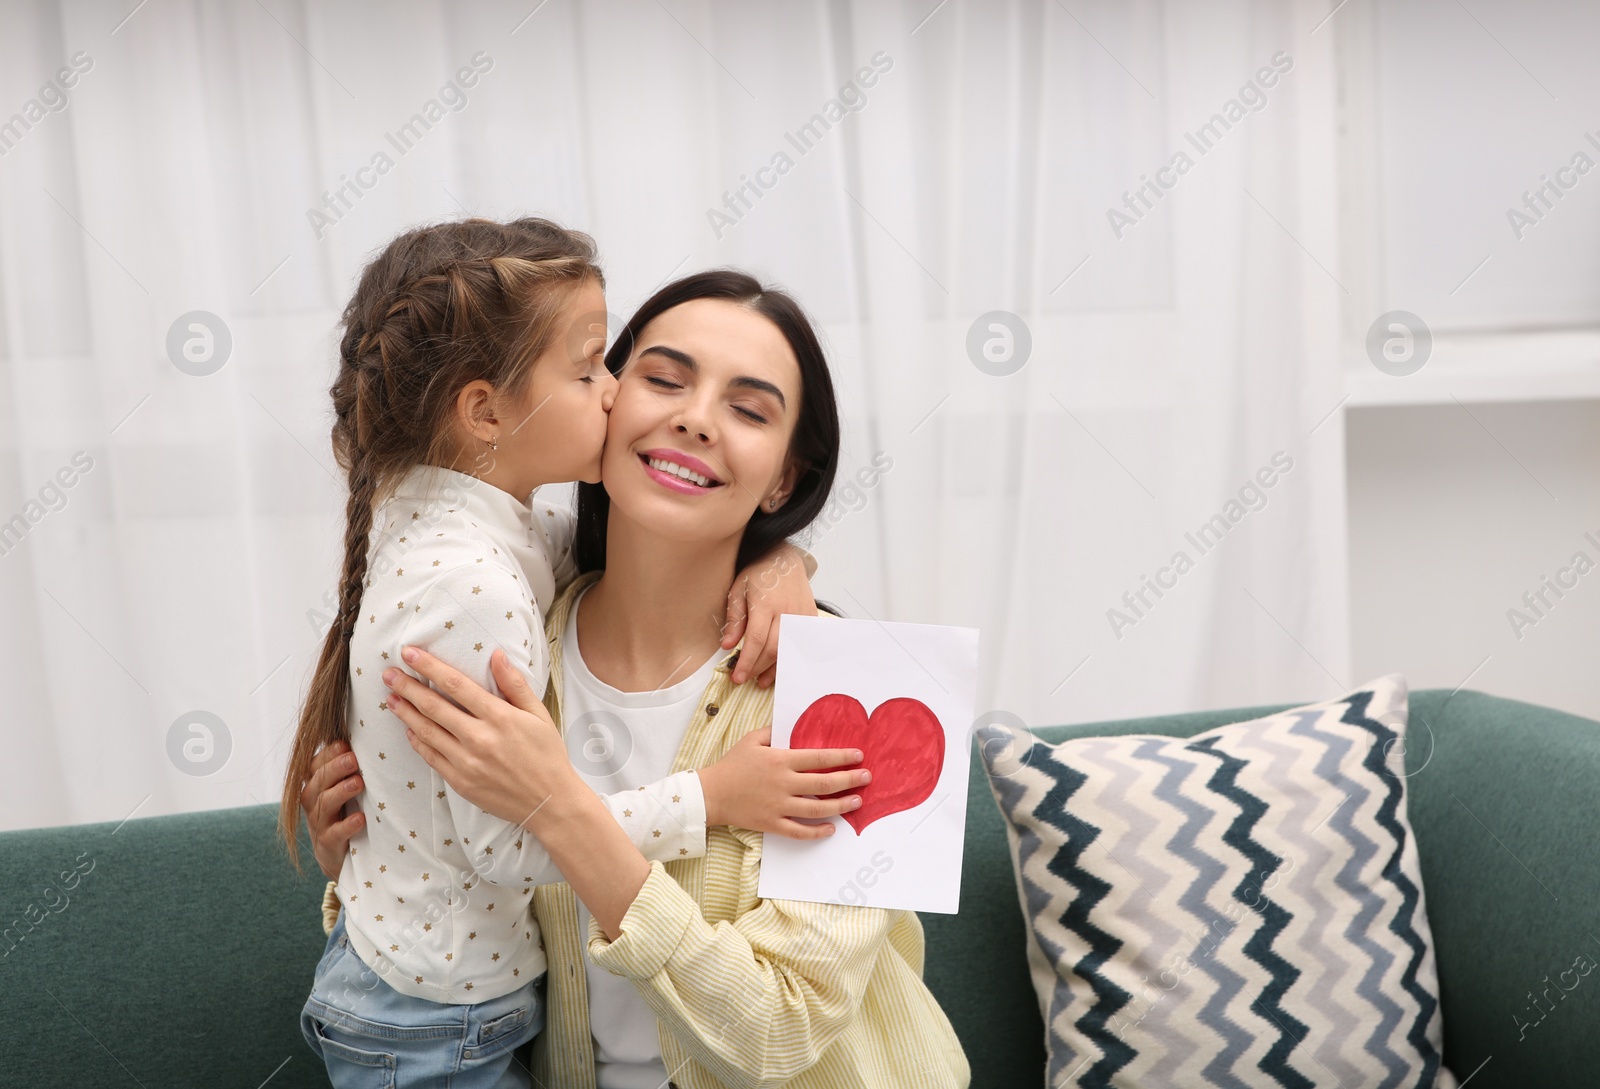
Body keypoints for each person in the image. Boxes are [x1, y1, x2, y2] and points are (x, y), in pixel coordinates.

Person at [306, 269, 970, 1088]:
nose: (694, 418)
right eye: (662, 379)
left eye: (750, 408)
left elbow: (779, 1030)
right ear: (599, 404)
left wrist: (561, 810)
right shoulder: (499, 637)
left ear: (786, 478)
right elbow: (447, 943)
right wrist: (367, 852)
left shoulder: (865, 693)